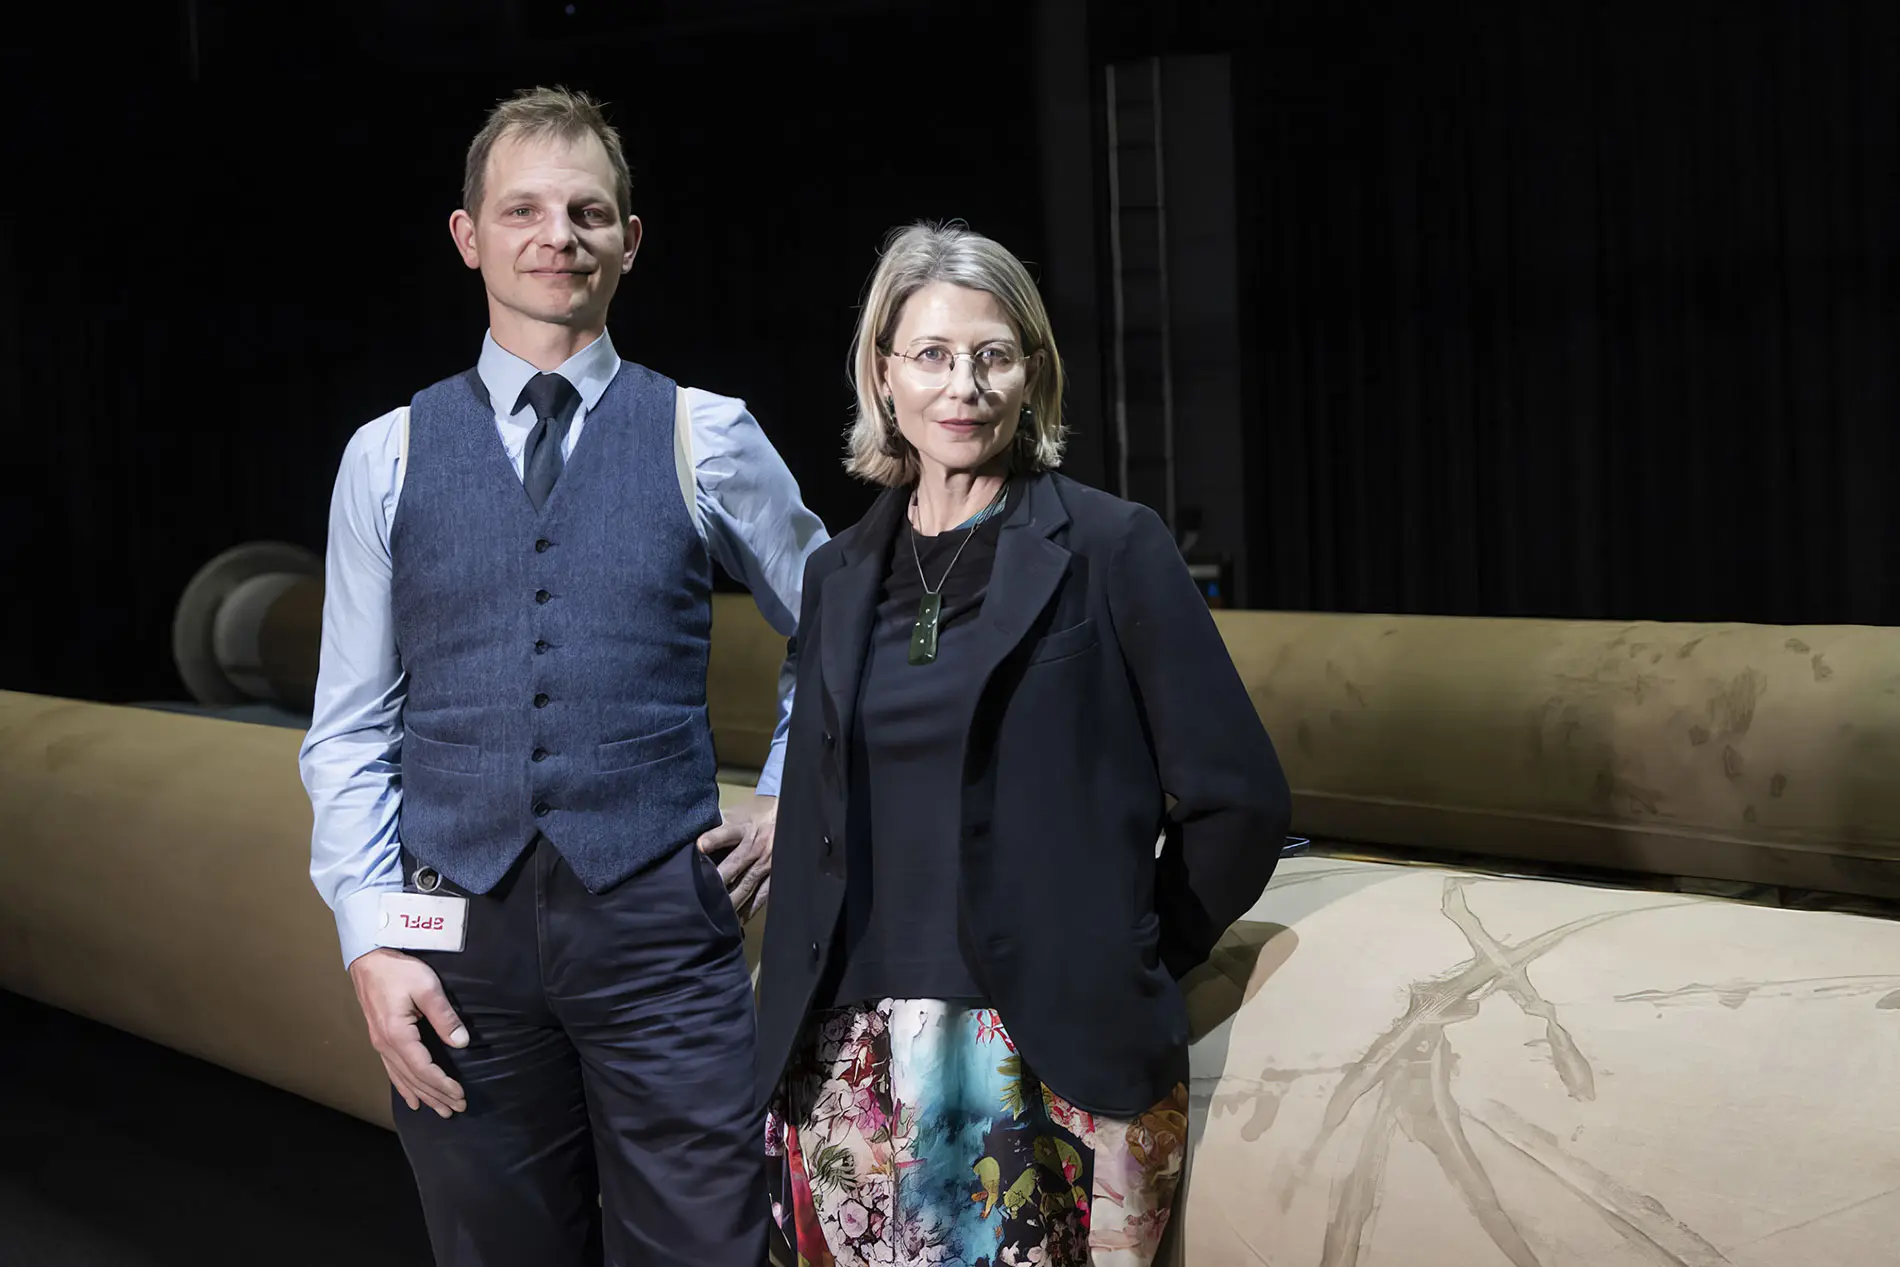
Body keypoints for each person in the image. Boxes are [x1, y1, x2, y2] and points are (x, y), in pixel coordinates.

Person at [298, 86, 826, 1266]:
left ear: (629, 241)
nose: (558, 236)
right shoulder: (385, 455)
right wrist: (369, 941)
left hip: (660, 933)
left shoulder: (707, 434)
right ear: (467, 236)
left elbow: (843, 628)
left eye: (588, 213)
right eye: (523, 210)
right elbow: (349, 728)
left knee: (706, 1245)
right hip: (453, 937)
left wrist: (792, 792)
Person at [754, 221, 1291, 1265]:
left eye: (992, 355)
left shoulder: (1111, 545)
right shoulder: (836, 576)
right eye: (932, 355)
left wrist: (1131, 950)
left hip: (1031, 1050)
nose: (964, 386)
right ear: (883, 373)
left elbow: (1241, 799)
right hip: (845, 1053)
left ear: (1032, 372)